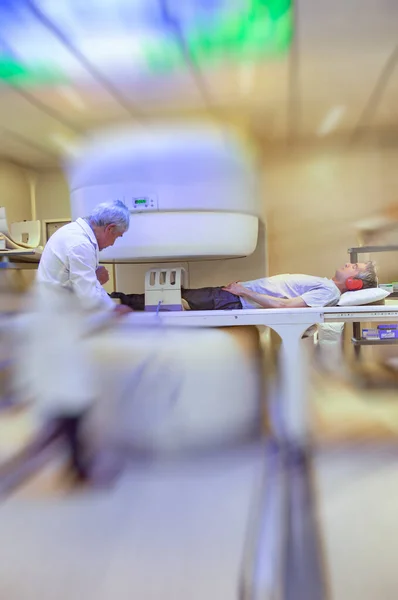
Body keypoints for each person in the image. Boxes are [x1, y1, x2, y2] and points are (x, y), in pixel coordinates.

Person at [19, 200, 133, 486]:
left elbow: (83, 283)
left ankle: (63, 453)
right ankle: (77, 469)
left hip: (62, 322)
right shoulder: (78, 243)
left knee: (68, 395)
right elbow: (87, 294)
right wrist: (114, 310)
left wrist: (98, 283)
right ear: (108, 228)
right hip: (57, 326)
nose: (112, 243)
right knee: (72, 395)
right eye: (116, 236)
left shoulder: (78, 238)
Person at [109, 261, 378, 311]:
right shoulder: (326, 284)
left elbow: (284, 307)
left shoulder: (329, 292)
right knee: (174, 295)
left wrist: (244, 292)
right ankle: (117, 300)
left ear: (353, 283)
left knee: (171, 300)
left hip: (235, 300)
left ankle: (117, 302)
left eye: (355, 268)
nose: (348, 264)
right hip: (235, 296)